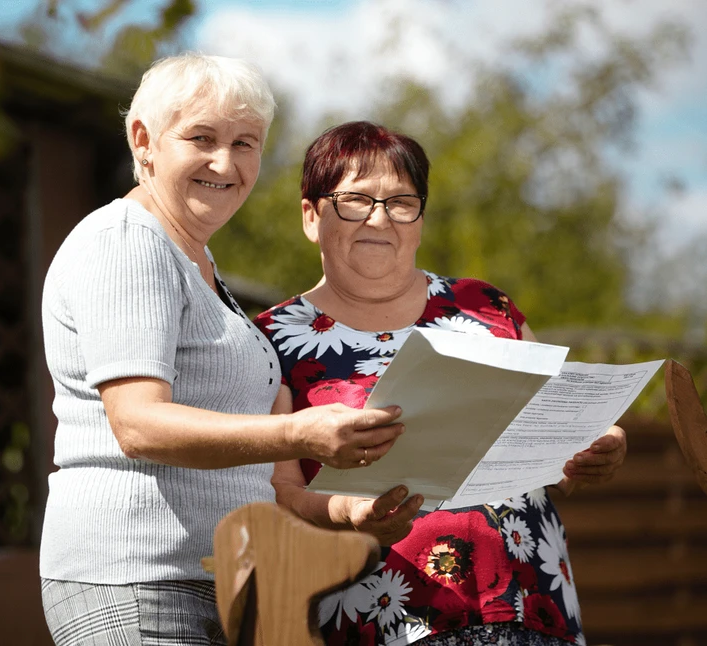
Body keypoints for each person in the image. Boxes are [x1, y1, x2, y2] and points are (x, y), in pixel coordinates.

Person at [39, 58, 410, 646]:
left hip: (218, 582)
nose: (226, 163)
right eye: (202, 138)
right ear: (144, 140)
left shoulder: (196, 262)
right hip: (140, 580)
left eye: (245, 143)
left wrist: (344, 510)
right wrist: (299, 435)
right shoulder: (128, 244)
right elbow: (138, 424)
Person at [254, 121, 627, 645]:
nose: (379, 218)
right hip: (384, 616)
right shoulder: (269, 339)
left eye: (401, 202)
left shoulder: (486, 307)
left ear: (420, 218)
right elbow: (280, 493)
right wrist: (350, 514)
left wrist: (594, 441)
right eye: (355, 200)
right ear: (311, 216)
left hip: (532, 605)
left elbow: (556, 432)